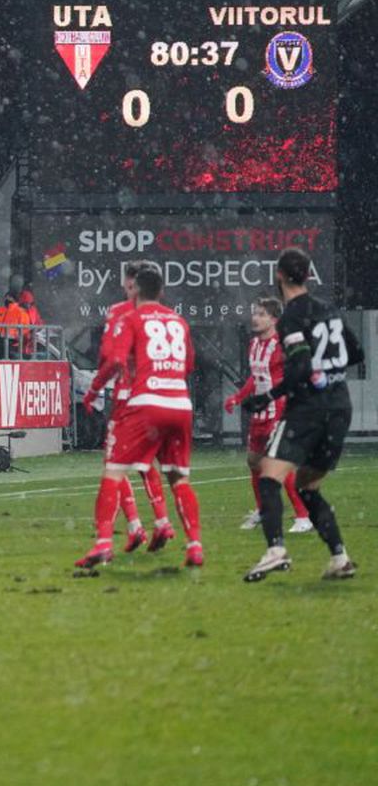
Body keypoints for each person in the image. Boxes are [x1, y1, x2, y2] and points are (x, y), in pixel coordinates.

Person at [240, 248, 362, 582]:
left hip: (308, 410)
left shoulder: (293, 316)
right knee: (308, 487)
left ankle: (275, 550)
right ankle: (340, 558)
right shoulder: (329, 309)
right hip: (339, 409)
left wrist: (266, 396)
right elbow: (356, 352)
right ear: (308, 275)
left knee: (268, 477)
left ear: (279, 275)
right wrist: (328, 372)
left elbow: (299, 369)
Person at [77, 266, 203, 569]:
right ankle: (194, 545)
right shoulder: (178, 320)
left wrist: (93, 390)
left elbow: (114, 359)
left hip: (142, 400)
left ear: (133, 288)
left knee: (113, 470)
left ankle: (104, 543)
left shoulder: (128, 316)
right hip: (180, 403)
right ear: (161, 291)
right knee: (179, 478)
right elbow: (189, 364)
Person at [84, 262, 174, 553]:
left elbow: (111, 357)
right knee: (147, 462)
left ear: (130, 283)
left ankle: (133, 527)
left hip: (126, 396)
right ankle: (160, 520)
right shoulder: (162, 314)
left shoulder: (120, 312)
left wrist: (95, 388)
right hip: (155, 395)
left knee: (114, 464)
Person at [224, 298, 314, 534]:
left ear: (274, 319)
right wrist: (237, 398)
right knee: (254, 462)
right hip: (260, 412)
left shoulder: (282, 345)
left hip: (280, 409)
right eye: (255, 313)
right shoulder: (253, 344)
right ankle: (263, 511)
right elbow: (256, 377)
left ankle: (303, 516)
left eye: (261, 314)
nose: (255, 317)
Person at [0, 291, 31, 358]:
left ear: (15, 299)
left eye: (10, 297)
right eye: (6, 297)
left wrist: (16, 335)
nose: (7, 299)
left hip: (11, 341)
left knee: (8, 358)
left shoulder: (20, 312)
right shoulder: (0, 310)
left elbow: (25, 328)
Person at [19, 288, 44, 357]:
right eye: (26, 303)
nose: (28, 305)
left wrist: (39, 329)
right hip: (21, 341)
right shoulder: (18, 311)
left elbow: (39, 322)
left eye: (29, 303)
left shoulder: (33, 310)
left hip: (32, 340)